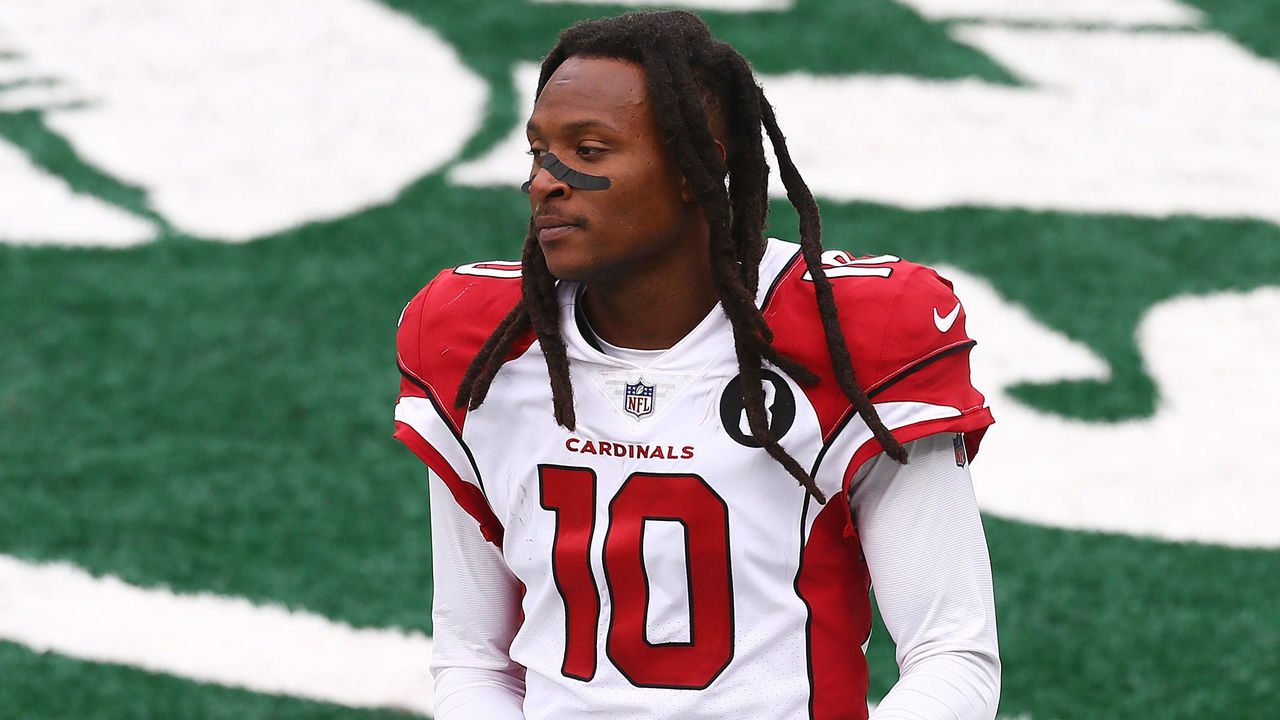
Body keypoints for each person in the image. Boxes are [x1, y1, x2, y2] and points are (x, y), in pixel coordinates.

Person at [394, 10, 999, 720]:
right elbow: (472, 657)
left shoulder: (854, 337)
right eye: (538, 152)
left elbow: (952, 655)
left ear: (697, 166)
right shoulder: (480, 345)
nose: (543, 183)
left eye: (588, 151)